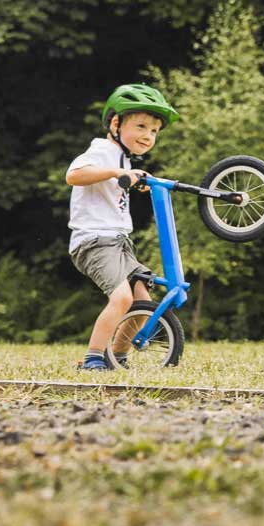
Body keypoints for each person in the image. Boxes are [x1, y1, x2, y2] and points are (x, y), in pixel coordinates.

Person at [64, 83, 177, 370]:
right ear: (116, 123)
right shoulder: (102, 150)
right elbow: (74, 175)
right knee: (123, 297)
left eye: (153, 131)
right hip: (94, 241)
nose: (148, 135)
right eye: (140, 126)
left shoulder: (123, 158)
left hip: (117, 242)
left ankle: (118, 357)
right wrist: (118, 172)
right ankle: (92, 359)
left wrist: (132, 178)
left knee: (142, 301)